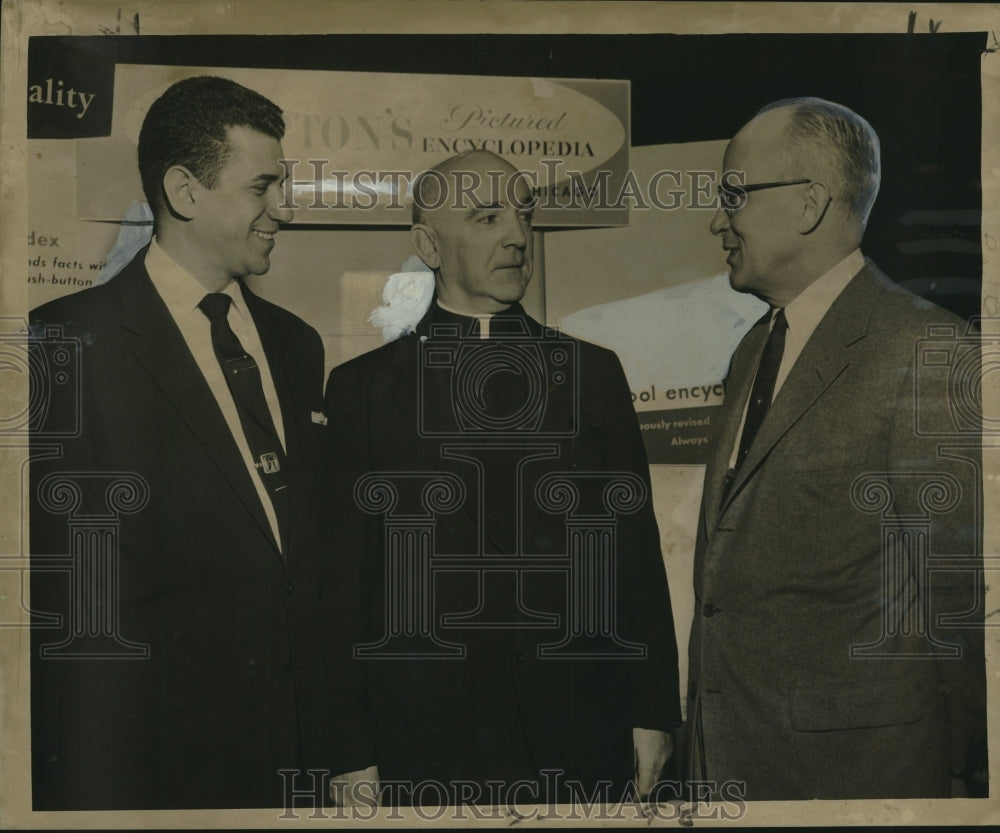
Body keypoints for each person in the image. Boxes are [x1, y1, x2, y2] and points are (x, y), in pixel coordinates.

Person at [29, 75, 352, 810]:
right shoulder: (66, 342)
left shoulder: (297, 346)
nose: (284, 208)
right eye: (262, 185)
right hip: (155, 776)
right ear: (184, 189)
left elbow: (312, 565)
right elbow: (62, 612)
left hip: (300, 770)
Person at [323, 150, 682, 806]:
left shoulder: (594, 376)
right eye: (486, 217)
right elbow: (344, 586)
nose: (517, 235)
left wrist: (655, 711)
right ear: (429, 244)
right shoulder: (362, 392)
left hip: (578, 728)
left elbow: (635, 560)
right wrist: (348, 751)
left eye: (523, 213)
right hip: (420, 738)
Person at [688, 97, 986, 800]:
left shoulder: (929, 351)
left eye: (733, 193)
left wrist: (964, 779)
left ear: (809, 204)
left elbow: (962, 604)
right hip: (731, 769)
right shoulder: (752, 350)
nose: (715, 219)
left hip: (856, 780)